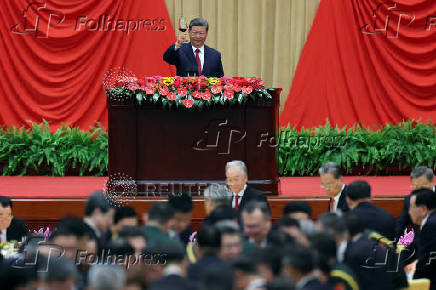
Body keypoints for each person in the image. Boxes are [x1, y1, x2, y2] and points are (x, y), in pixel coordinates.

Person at [396, 166, 434, 238]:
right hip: (420, 245)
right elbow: (400, 225)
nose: (418, 190)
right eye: (415, 186)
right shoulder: (410, 200)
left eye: (421, 186)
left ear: (432, 182)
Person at [409, 189, 436, 289]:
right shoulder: (431, 222)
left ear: (424, 209)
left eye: (411, 207)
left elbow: (426, 264)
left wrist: (413, 285)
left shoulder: (431, 226)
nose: (409, 212)